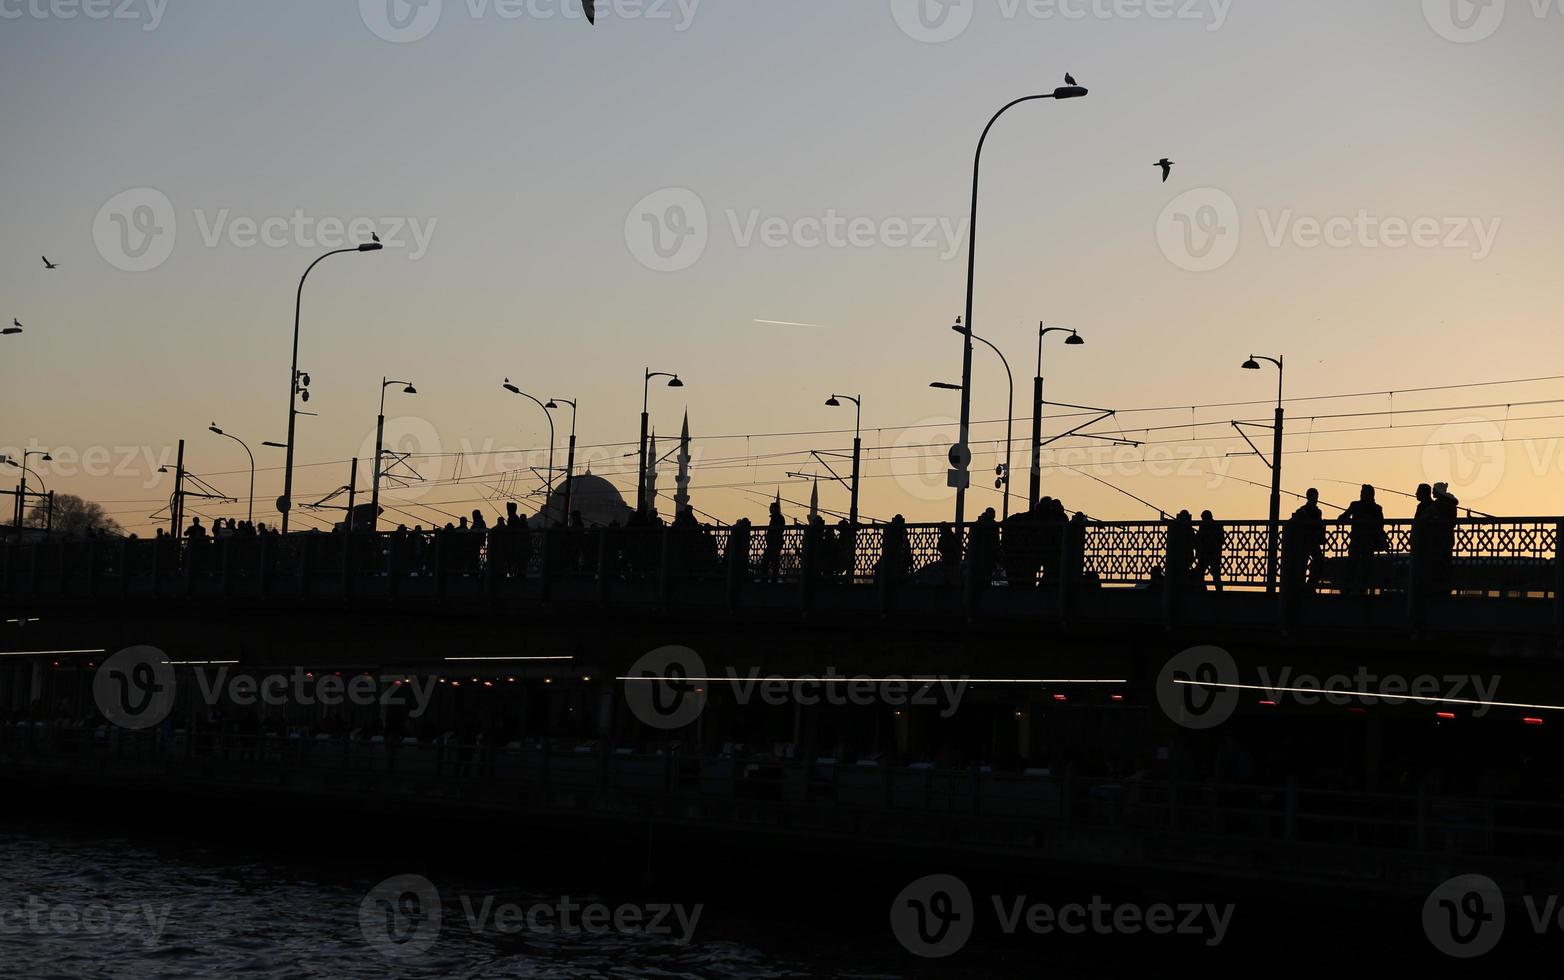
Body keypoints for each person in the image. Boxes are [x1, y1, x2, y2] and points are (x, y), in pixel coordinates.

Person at [1338, 485, 1386, 593]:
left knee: (1364, 566)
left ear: (1370, 494)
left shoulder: (1376, 508)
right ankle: (1349, 589)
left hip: (1367, 542)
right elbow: (1345, 515)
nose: (1361, 494)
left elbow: (1380, 525)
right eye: (1361, 492)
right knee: (1352, 565)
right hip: (1357, 541)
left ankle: (1360, 589)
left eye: (1363, 492)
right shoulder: (1355, 505)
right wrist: (1342, 518)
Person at [1194, 510, 1225, 592]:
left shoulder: (1215, 526)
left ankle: (1216, 591)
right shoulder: (1215, 525)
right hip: (1208, 554)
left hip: (1210, 554)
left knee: (1214, 575)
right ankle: (1205, 590)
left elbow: (1221, 540)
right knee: (1203, 574)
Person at [1165, 510, 1195, 587]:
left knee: (1179, 571)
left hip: (1181, 555)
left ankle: (1180, 585)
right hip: (1187, 555)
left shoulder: (1178, 527)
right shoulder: (1189, 528)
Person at [761, 501, 785, 584]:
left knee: (770, 561)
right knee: (770, 561)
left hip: (774, 543)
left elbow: (778, 530)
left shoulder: (778, 518)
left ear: (775, 509)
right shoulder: (777, 517)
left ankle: (768, 579)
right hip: (773, 543)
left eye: (771, 507)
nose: (769, 509)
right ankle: (768, 578)